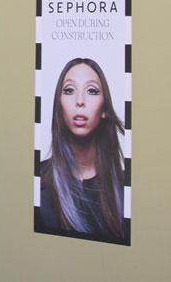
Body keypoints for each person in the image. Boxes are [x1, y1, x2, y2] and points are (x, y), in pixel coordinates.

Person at [37, 57, 126, 242]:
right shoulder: (38, 181)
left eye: (91, 91)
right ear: (59, 105)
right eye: (69, 90)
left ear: (104, 109)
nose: (80, 101)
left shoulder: (125, 186)